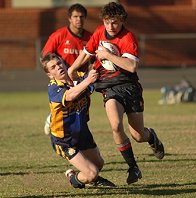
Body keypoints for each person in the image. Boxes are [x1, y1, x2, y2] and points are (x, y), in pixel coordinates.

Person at [68, 2, 165, 185]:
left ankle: (151, 137)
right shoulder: (99, 32)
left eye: (115, 23)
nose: (110, 27)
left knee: (138, 135)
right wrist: (72, 69)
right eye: (107, 22)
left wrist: (107, 55)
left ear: (122, 21)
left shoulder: (128, 38)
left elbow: (131, 65)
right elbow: (87, 52)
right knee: (115, 125)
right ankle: (133, 167)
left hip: (129, 86)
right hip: (109, 86)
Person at [40, 53, 115, 188]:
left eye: (59, 63)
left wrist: (103, 56)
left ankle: (87, 177)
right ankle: (73, 178)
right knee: (92, 173)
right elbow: (70, 95)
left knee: (98, 164)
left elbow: (94, 74)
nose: (58, 67)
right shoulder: (53, 87)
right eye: (53, 67)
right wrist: (87, 81)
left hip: (82, 132)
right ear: (50, 75)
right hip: (64, 139)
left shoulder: (79, 79)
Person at [42, 3, 92, 135]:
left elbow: (94, 59)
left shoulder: (90, 38)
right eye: (75, 16)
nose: (78, 20)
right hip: (63, 78)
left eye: (81, 17)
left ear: (85, 18)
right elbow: (46, 56)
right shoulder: (59, 35)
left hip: (80, 78)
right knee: (66, 103)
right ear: (69, 18)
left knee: (82, 110)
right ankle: (54, 121)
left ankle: (81, 137)